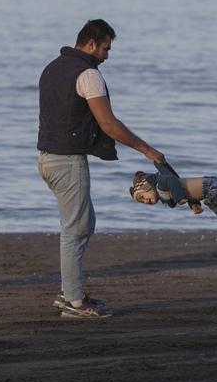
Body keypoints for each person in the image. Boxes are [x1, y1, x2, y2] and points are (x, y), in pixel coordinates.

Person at [38, 19, 166, 319]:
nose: (107, 56)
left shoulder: (53, 67)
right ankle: (74, 303)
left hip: (47, 158)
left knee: (82, 225)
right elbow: (108, 123)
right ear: (92, 44)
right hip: (67, 161)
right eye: (106, 49)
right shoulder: (88, 74)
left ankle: (70, 292)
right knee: (76, 230)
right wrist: (148, 150)